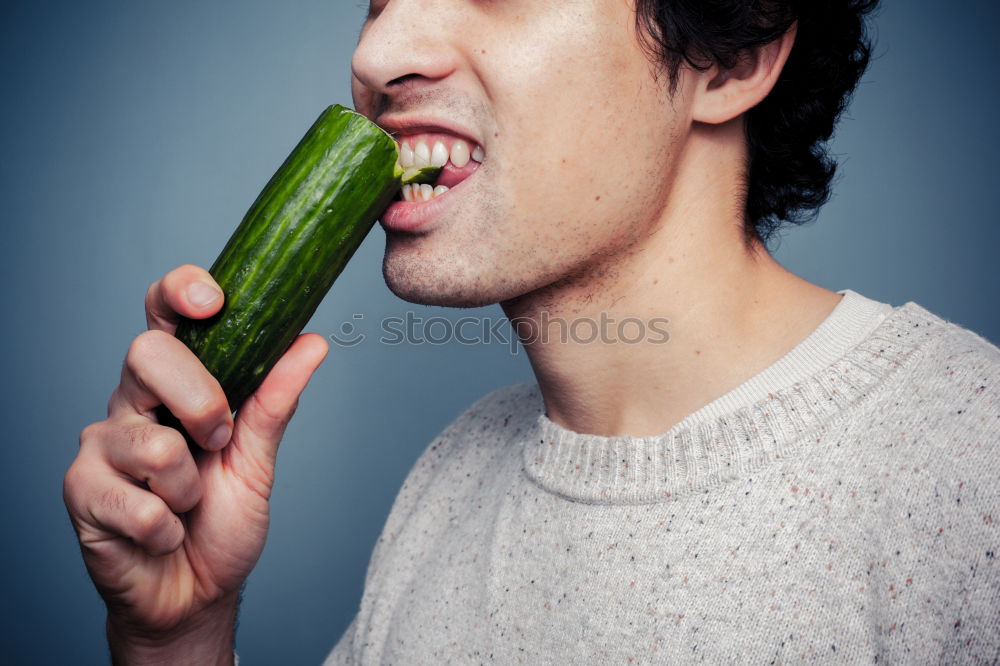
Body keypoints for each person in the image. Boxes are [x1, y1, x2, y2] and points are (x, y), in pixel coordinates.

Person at [64, 0, 1000, 663]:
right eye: (377, 0)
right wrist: (180, 641)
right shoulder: (451, 476)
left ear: (731, 57)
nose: (379, 53)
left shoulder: (968, 466)